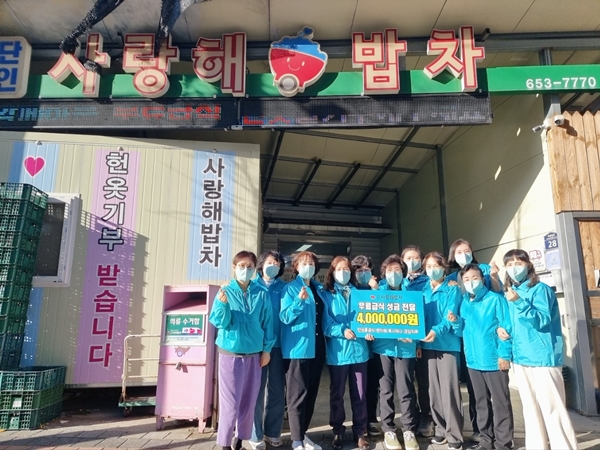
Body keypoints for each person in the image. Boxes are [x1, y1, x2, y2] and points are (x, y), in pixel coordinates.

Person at [499, 249, 577, 450]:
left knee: (552, 408)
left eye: (518, 263)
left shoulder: (540, 290)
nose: (514, 268)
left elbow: (542, 320)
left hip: (543, 357)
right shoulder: (510, 293)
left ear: (528, 265)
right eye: (509, 265)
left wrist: (519, 302)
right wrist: (502, 330)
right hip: (521, 357)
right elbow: (511, 324)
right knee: (530, 409)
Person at [209, 251, 275, 450]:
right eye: (241, 266)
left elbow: (268, 322)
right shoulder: (225, 291)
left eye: (249, 267)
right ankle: (224, 444)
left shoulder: (261, 292)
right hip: (230, 354)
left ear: (255, 269)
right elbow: (219, 322)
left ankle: (239, 441)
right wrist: (222, 305)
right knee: (230, 403)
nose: (245, 270)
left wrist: (267, 350)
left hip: (254, 354)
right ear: (234, 268)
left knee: (249, 401)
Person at [452, 263, 514, 450]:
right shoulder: (464, 301)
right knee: (480, 403)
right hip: (473, 361)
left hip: (494, 360)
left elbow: (506, 328)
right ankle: (486, 441)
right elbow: (461, 332)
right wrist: (455, 322)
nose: (471, 282)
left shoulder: (495, 299)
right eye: (466, 279)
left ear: (483, 279)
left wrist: (504, 355)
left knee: (500, 403)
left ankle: (503, 443)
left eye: (475, 278)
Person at [447, 238, 501, 443]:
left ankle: (501, 435)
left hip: (487, 337)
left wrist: (493, 277)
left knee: (496, 393)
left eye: (466, 250)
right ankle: (480, 430)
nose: (463, 254)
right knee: (474, 389)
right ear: (453, 256)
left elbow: (498, 294)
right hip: (465, 336)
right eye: (459, 252)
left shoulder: (485, 270)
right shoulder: (451, 277)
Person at [371, 254, 420, 450]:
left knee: (406, 389)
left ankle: (408, 429)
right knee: (386, 390)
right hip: (383, 348)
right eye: (389, 270)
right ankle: (388, 429)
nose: (393, 274)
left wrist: (414, 338)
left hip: (406, 349)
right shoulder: (377, 293)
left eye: (397, 270)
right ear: (384, 273)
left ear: (404, 272)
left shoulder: (413, 294)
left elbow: (420, 322)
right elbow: (368, 318)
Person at [322, 256, 371, 450]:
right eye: (339, 269)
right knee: (337, 394)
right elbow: (326, 323)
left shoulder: (359, 293)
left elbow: (369, 318)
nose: (343, 272)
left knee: (360, 393)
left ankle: (360, 432)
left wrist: (370, 330)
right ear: (332, 272)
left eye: (346, 269)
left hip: (359, 351)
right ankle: (338, 431)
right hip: (338, 352)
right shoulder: (326, 294)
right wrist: (341, 330)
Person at [280, 251, 326, 450]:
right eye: (304, 263)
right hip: (297, 349)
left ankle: (303, 434)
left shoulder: (319, 289)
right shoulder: (290, 289)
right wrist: (298, 301)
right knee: (297, 396)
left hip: (317, 349)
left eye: (311, 263)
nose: (308, 266)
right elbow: (285, 317)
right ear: (296, 267)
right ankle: (296, 440)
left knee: (311, 394)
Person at [421, 251, 464, 450]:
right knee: (433, 390)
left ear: (444, 267)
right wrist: (416, 341)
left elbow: (450, 315)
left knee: (450, 390)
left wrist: (436, 331)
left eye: (436, 266)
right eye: (428, 266)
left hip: (447, 345)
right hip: (427, 344)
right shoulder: (423, 290)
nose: (432, 270)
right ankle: (440, 429)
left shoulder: (452, 289)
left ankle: (454, 434)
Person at [250, 251, 287, 450]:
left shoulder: (284, 288)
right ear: (262, 264)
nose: (274, 266)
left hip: (278, 346)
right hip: (256, 346)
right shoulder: (252, 285)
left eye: (277, 263)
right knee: (256, 390)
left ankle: (272, 432)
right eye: (270, 262)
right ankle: (255, 433)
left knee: (277, 390)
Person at [401, 245, 432, 438]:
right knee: (406, 384)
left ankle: (426, 417)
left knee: (423, 382)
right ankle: (410, 418)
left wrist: (419, 343)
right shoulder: (398, 282)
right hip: (402, 343)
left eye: (415, 258)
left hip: (423, 341)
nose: (412, 262)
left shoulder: (428, 282)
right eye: (408, 258)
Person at [351, 254, 382, 437]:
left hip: (376, 347)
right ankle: (358, 423)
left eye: (367, 269)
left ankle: (371, 419)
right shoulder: (351, 289)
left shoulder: (378, 287)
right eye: (359, 270)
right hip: (357, 346)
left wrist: (375, 289)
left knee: (373, 385)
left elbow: (385, 309)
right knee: (357, 388)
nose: (363, 273)